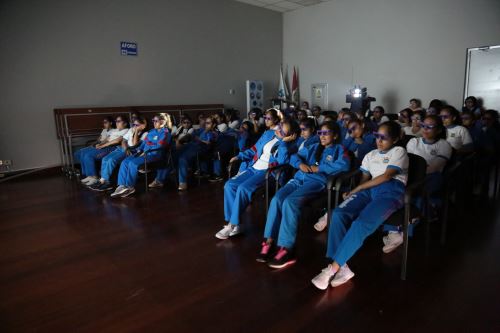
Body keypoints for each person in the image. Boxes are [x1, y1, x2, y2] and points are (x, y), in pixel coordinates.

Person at [311, 121, 409, 290]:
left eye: (384, 138)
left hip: (390, 191)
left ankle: (332, 269)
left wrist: (358, 188)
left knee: (360, 224)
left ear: (394, 139)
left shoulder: (399, 151)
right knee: (337, 214)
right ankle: (343, 268)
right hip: (369, 189)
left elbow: (386, 177)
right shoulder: (371, 155)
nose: (379, 140)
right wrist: (354, 192)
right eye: (377, 136)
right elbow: (365, 179)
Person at [258, 122, 351, 268]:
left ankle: (286, 249)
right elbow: (294, 157)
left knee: (290, 202)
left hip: (315, 182)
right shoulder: (314, 147)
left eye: (326, 133)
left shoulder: (339, 149)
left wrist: (319, 168)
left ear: (335, 135)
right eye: (320, 133)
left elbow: (344, 165)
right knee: (277, 199)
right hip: (298, 179)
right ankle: (268, 240)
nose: (322, 136)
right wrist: (299, 165)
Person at [215, 110, 298, 240]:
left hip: (267, 173)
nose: (279, 130)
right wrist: (239, 156)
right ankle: (236, 224)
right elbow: (254, 149)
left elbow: (282, 160)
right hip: (253, 168)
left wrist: (284, 142)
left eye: (283, 131)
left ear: (291, 135)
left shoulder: (289, 145)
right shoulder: (269, 134)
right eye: (280, 127)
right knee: (229, 185)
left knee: (243, 188)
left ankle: (232, 224)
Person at [383, 115, 452, 253]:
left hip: (432, 177)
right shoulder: (414, 142)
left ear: (438, 130)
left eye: (430, 127)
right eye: (423, 126)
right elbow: (405, 163)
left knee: (417, 195)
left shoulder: (444, 145)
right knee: (394, 193)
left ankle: (404, 233)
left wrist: (415, 172)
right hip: (412, 176)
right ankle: (393, 231)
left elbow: (434, 167)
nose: (425, 129)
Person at [313, 118, 376, 233]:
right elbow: (342, 147)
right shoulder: (350, 140)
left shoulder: (371, 138)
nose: (352, 131)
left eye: (354, 128)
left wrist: (361, 142)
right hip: (350, 170)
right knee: (336, 183)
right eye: (349, 129)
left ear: (362, 125)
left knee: (343, 185)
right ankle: (329, 212)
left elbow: (373, 153)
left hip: (364, 172)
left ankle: (330, 215)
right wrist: (352, 137)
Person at [110, 113, 172, 198]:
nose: (154, 122)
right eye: (153, 120)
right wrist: (137, 149)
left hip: (154, 155)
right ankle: (122, 186)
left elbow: (159, 146)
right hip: (144, 153)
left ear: (163, 122)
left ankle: (130, 187)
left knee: (133, 163)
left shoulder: (165, 133)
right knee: (125, 161)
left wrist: (145, 150)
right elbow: (143, 143)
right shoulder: (151, 132)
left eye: (156, 121)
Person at [90, 116, 148, 191]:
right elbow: (124, 140)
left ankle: (107, 182)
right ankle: (102, 180)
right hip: (123, 148)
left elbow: (134, 144)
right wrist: (125, 147)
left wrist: (136, 131)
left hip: (132, 151)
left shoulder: (145, 134)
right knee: (105, 159)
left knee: (111, 160)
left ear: (143, 126)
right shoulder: (131, 129)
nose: (134, 127)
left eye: (137, 125)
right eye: (134, 125)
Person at [80, 115, 129, 186]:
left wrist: (103, 145)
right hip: (105, 146)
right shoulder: (115, 130)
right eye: (116, 121)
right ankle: (90, 176)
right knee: (85, 154)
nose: (116, 123)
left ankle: (94, 177)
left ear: (125, 123)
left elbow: (117, 140)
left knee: (89, 155)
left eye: (119, 121)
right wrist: (100, 144)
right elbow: (107, 139)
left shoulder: (126, 130)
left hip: (112, 147)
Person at [176, 115, 219, 191]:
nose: (206, 124)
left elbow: (209, 143)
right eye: (206, 123)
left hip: (201, 148)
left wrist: (200, 139)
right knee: (173, 151)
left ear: (214, 124)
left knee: (183, 158)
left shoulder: (214, 133)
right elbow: (191, 135)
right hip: (191, 145)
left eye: (208, 123)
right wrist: (181, 140)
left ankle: (182, 182)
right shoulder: (201, 130)